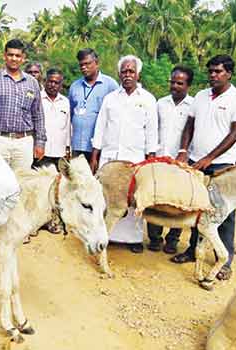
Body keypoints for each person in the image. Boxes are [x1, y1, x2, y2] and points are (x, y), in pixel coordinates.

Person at [171, 55, 236, 282]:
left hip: (224, 165)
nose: (213, 75)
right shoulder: (201, 97)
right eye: (211, 72)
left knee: (224, 213)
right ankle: (192, 250)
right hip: (196, 161)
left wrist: (210, 157)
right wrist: (184, 151)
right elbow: (190, 125)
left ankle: (223, 261)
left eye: (218, 71)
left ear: (229, 73)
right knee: (197, 208)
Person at [91, 55, 158, 253]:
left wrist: (151, 158)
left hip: (135, 159)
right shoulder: (110, 98)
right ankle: (106, 235)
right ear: (119, 74)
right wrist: (95, 156)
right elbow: (100, 127)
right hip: (110, 157)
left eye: (131, 71)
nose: (127, 75)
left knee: (133, 199)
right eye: (124, 71)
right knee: (107, 198)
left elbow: (152, 131)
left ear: (138, 74)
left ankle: (133, 239)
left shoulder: (147, 99)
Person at [0, 39, 46, 170]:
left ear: (23, 58)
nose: (14, 58)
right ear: (5, 56)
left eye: (18, 55)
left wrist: (40, 143)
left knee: (22, 184)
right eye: (11, 55)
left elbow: (38, 114)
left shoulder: (32, 82)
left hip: (24, 142)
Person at [147, 66, 195, 254]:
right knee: (156, 198)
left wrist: (184, 155)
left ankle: (173, 239)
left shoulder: (193, 106)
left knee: (179, 202)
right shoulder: (160, 103)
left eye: (179, 83)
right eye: (172, 82)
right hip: (159, 159)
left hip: (182, 162)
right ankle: (154, 237)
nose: (174, 86)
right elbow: (153, 129)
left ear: (188, 85)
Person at [68, 48, 119, 165]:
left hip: (99, 147)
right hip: (77, 145)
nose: (84, 67)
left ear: (97, 63)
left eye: (87, 64)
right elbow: (70, 115)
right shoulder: (75, 86)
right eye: (81, 65)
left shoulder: (110, 85)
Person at [33, 68, 70, 169]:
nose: (53, 85)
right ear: (45, 81)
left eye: (56, 82)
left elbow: (67, 127)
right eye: (50, 81)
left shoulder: (65, 101)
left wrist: (68, 148)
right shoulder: (37, 98)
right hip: (40, 151)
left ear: (61, 85)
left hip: (59, 153)